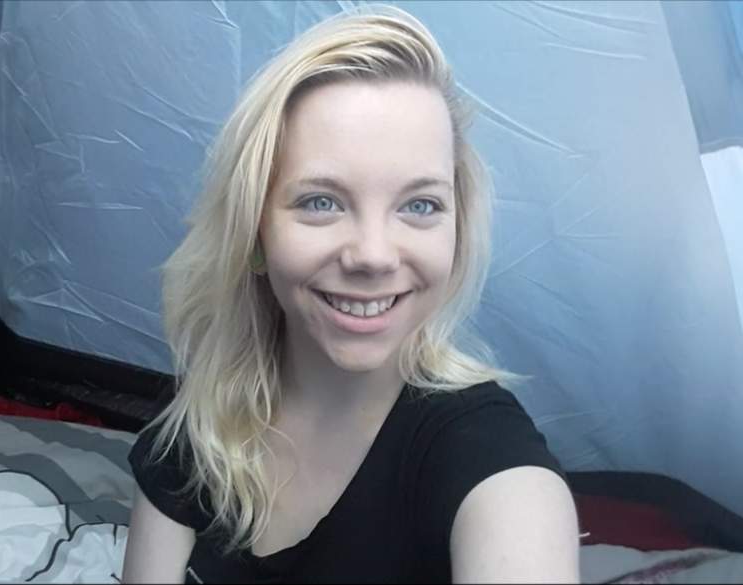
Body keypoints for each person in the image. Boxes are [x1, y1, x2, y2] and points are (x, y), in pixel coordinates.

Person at [122, 5, 580, 583]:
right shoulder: (200, 427)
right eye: (322, 202)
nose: (373, 255)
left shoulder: (488, 458)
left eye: (420, 205)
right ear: (254, 234)